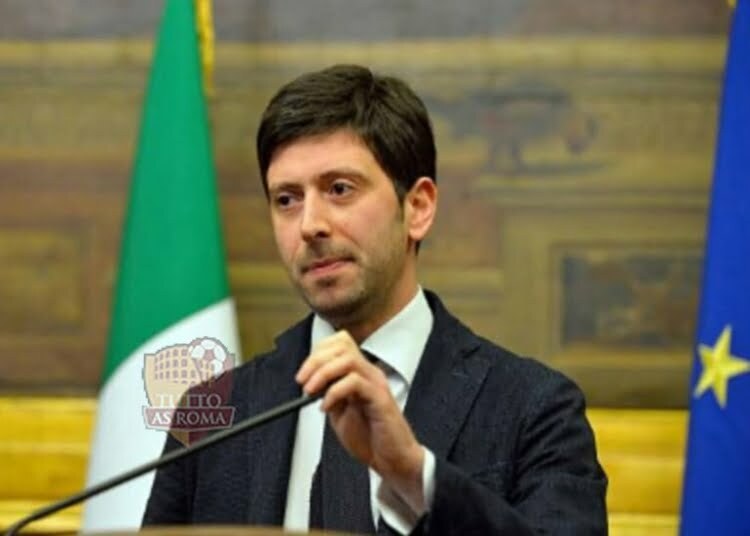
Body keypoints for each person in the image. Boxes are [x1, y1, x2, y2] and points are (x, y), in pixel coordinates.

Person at [143, 64, 607, 535]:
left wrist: (412, 474)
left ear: (418, 208)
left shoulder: (533, 407)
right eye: (286, 199)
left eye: (339, 189)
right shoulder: (215, 412)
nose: (310, 224)